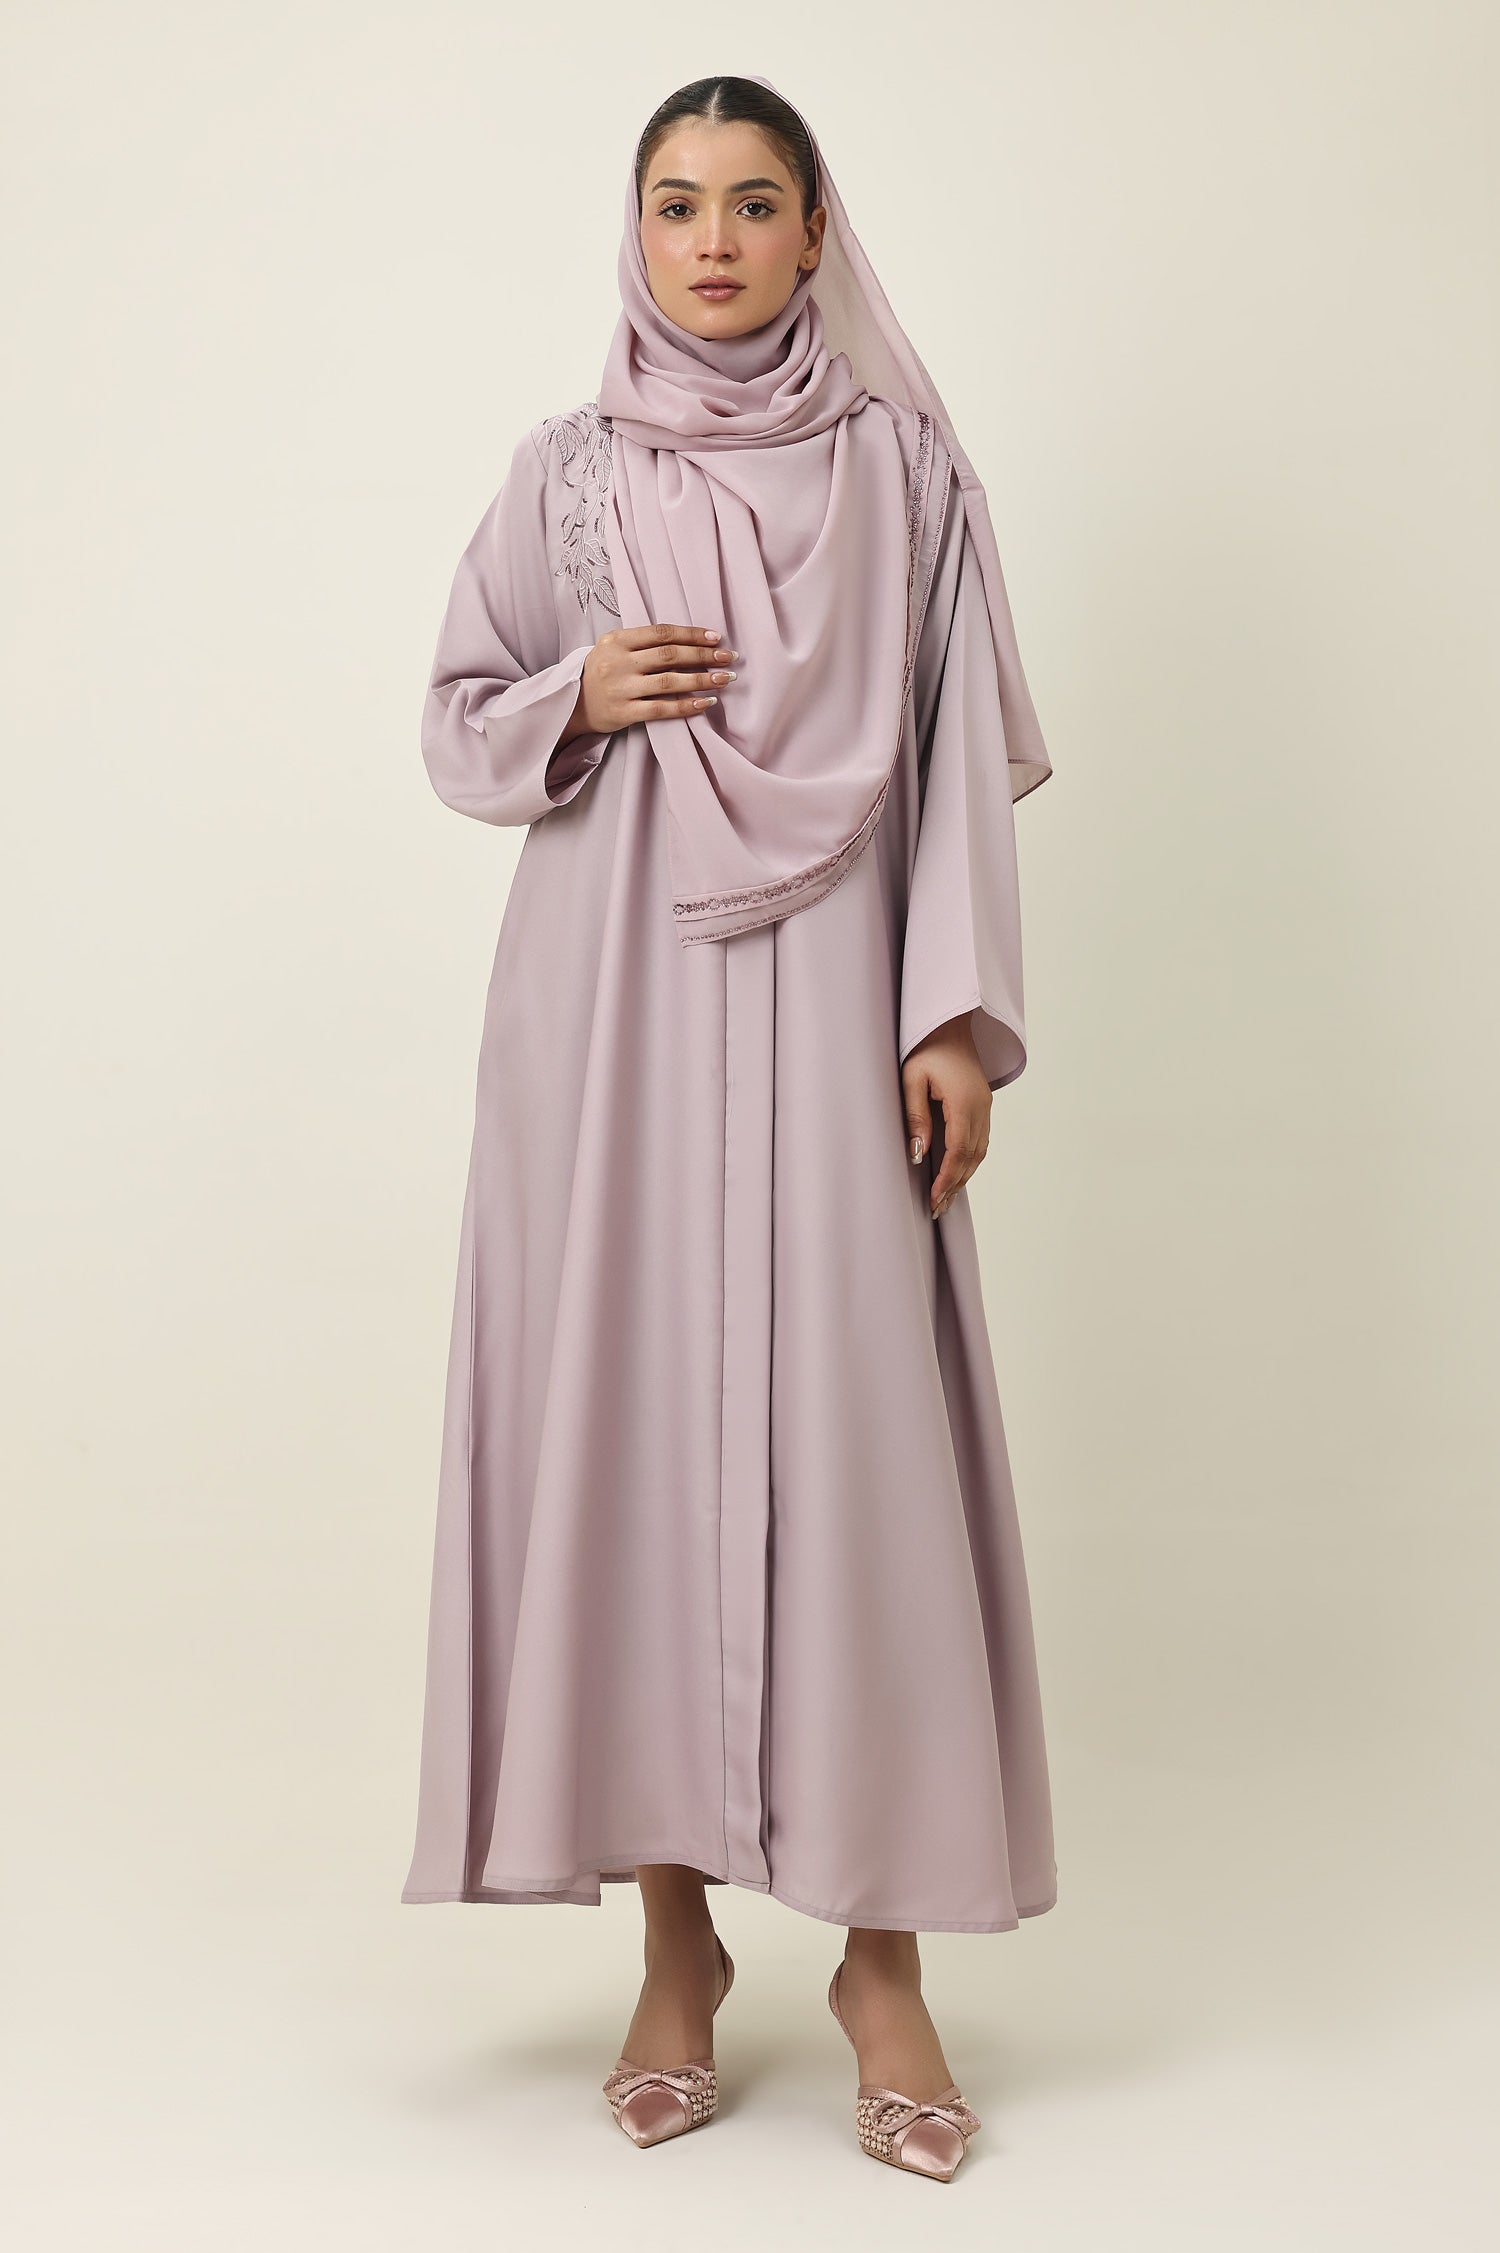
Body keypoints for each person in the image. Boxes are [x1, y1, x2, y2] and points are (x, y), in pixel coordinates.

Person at [402, 72, 1058, 2183]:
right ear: (638, 230)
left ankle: (884, 1961)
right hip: (610, 1016)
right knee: (632, 1438)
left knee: (861, 1457)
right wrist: (574, 695)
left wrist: (948, 1013)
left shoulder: (903, 475)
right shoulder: (568, 473)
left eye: (753, 203)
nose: (712, 243)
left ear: (814, 232)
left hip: (840, 1009)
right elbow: (457, 718)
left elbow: (950, 752)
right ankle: (673, 1942)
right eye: (677, 204)